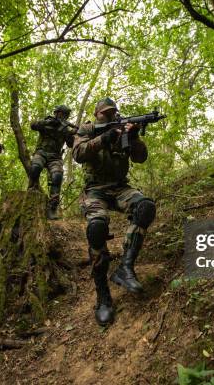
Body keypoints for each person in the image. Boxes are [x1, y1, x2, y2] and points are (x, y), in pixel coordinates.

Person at [72, 97, 156, 326]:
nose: (109, 117)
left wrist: (134, 137)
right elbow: (78, 154)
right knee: (97, 227)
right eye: (105, 113)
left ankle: (125, 268)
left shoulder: (124, 129)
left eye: (112, 113)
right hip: (95, 190)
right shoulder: (87, 129)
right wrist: (103, 138)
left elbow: (140, 158)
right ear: (97, 113)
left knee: (145, 207)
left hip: (120, 187)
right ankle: (103, 296)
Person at [28, 105, 77, 220]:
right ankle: (31, 191)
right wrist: (48, 123)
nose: (63, 117)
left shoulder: (65, 128)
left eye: (65, 115)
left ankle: (52, 208)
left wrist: (72, 133)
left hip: (55, 157)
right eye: (62, 114)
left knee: (57, 176)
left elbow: (70, 144)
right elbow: (33, 125)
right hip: (41, 153)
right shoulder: (47, 121)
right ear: (57, 113)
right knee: (35, 167)